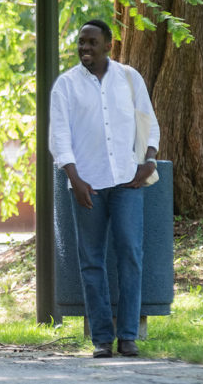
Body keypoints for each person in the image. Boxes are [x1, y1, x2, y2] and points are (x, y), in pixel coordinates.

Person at [49, 19, 160, 358]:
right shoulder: (65, 86)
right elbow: (60, 137)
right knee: (92, 260)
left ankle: (128, 336)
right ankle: (100, 338)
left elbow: (149, 123)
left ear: (109, 45)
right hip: (88, 186)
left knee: (130, 255)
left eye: (92, 42)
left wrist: (150, 160)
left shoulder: (129, 78)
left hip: (128, 180)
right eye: (81, 42)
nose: (85, 48)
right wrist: (74, 178)